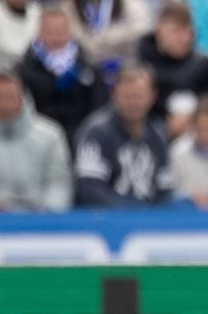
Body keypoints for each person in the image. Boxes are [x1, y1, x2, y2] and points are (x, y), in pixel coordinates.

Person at [0, 70, 73, 212]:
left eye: (10, 97)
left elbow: (59, 183)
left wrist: (49, 214)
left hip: (40, 219)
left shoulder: (51, 135)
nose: (4, 104)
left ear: (22, 98)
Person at [73, 65, 172, 207]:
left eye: (139, 97)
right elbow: (91, 190)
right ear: (114, 95)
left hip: (150, 222)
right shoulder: (96, 133)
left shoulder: (158, 134)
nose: (133, 103)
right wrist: (134, 212)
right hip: (105, 222)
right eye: (127, 97)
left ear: (153, 97)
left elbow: (165, 189)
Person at [18, 3, 107, 138]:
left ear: (69, 31)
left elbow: (98, 107)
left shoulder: (87, 66)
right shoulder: (25, 69)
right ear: (39, 33)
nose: (55, 37)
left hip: (81, 133)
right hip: (40, 136)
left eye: (60, 31)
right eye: (50, 31)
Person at [139, 0, 208, 119]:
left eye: (187, 32)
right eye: (175, 31)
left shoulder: (201, 64)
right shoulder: (142, 64)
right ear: (159, 31)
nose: (183, 39)